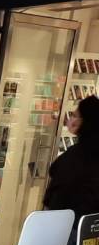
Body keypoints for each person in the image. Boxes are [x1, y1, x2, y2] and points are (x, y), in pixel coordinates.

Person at [43, 95, 99, 226]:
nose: (71, 119)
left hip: (69, 228)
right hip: (90, 228)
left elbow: (57, 197)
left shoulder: (77, 156)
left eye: (75, 115)